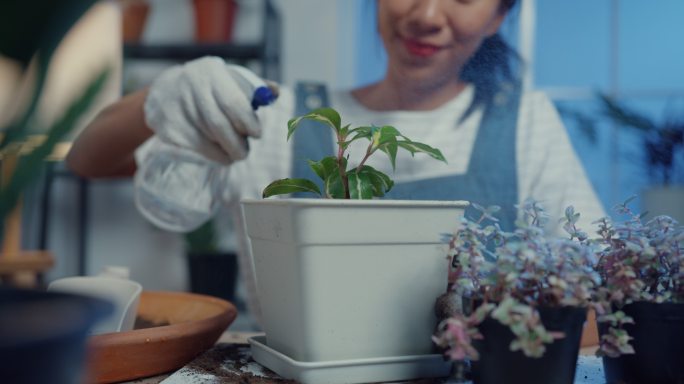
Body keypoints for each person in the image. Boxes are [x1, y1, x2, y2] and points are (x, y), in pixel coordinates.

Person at [67, 0, 605, 326]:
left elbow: (597, 292)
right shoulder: (276, 118)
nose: (426, 15)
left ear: (499, 15)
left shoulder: (526, 123)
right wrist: (165, 92)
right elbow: (90, 159)